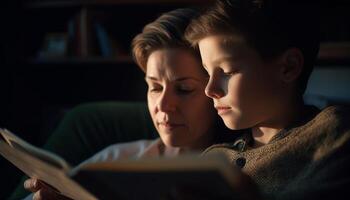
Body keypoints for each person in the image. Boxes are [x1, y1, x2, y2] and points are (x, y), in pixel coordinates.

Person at [21, 8, 235, 200]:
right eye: (155, 87)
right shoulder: (115, 159)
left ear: (214, 91)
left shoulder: (242, 172)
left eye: (184, 89)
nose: (163, 105)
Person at [184, 0, 350, 199]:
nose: (210, 90)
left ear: (288, 67)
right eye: (207, 72)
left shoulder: (334, 133)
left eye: (227, 72)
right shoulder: (213, 160)